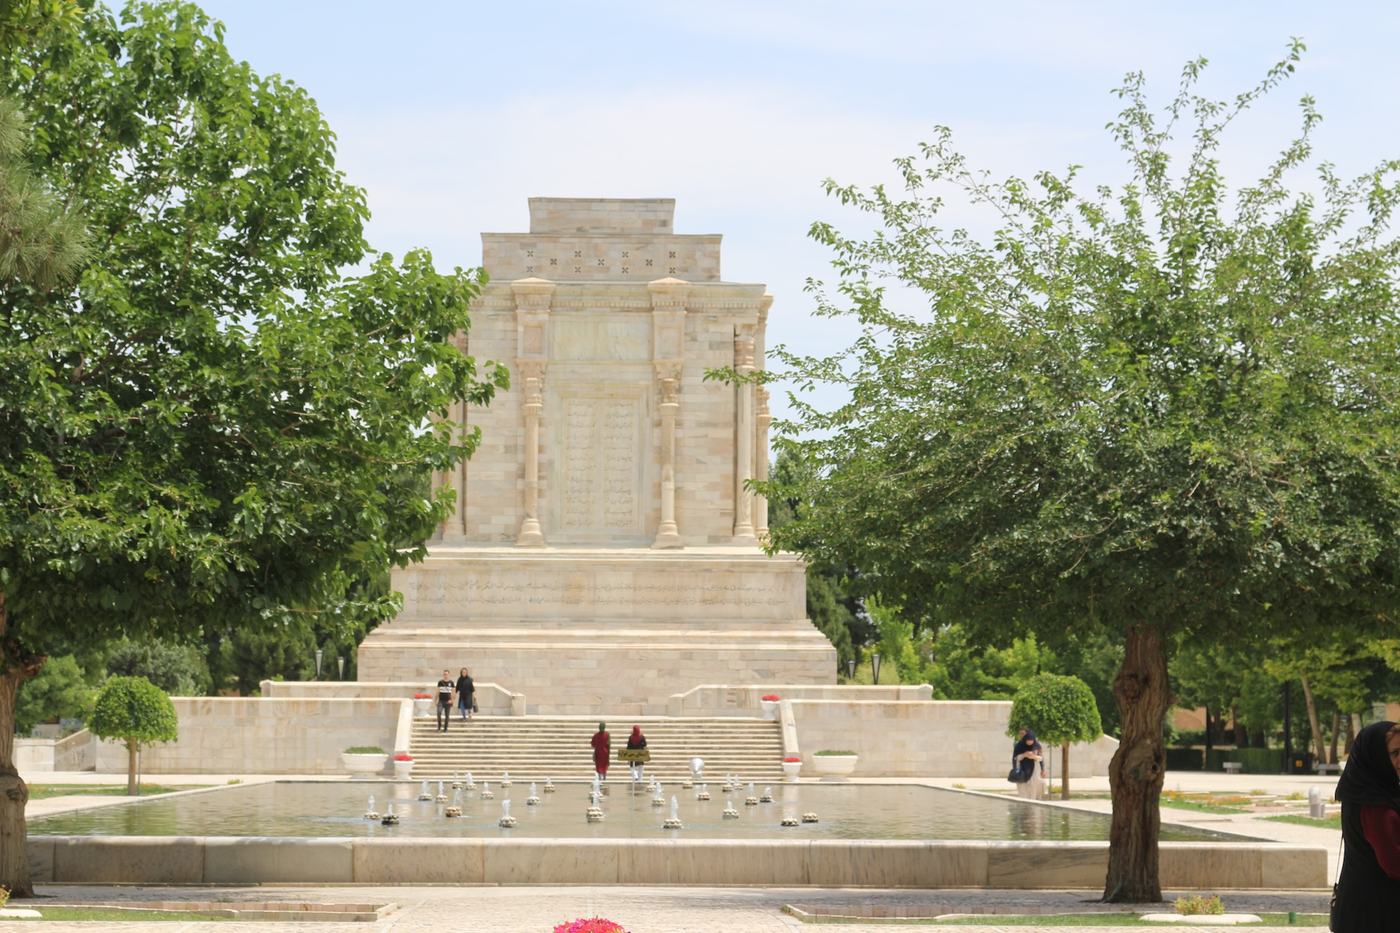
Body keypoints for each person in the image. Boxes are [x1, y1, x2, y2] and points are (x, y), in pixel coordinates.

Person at [1330, 719, 1400, 932]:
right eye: (1395, 753)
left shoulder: (1365, 793)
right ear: (1376, 757)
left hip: (1361, 907)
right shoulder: (1375, 805)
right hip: (1375, 913)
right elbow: (1394, 864)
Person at [1012, 727, 1045, 801]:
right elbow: (1015, 758)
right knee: (1023, 791)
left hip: (1034, 771)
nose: (1021, 735)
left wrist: (1034, 757)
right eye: (1020, 733)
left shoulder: (1037, 745)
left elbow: (1041, 758)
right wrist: (1024, 755)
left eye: (1023, 733)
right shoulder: (1019, 745)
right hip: (1022, 771)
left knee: (1034, 789)